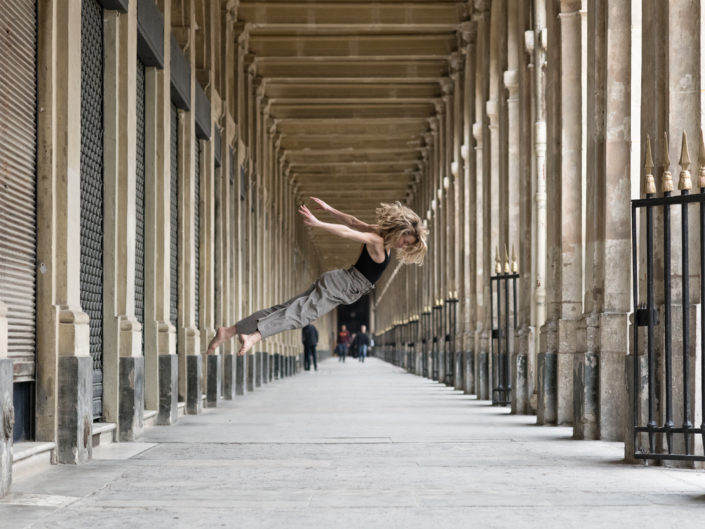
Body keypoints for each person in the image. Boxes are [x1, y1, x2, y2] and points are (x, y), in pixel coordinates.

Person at [206, 198, 427, 356]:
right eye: (405, 240)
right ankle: (254, 336)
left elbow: (351, 221)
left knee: (282, 310)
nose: (402, 245)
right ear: (401, 230)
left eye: (406, 245)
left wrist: (329, 209)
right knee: (299, 315)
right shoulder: (377, 240)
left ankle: (229, 331)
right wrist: (320, 223)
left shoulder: (379, 233)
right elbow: (349, 232)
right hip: (342, 285)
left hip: (339, 281)